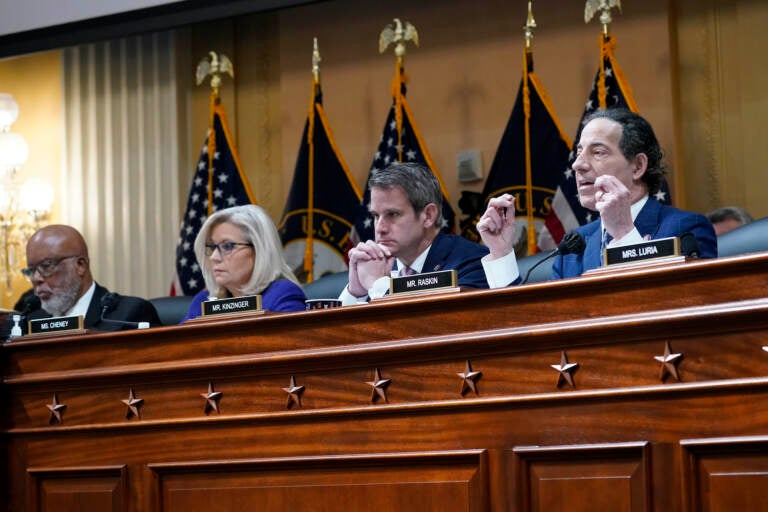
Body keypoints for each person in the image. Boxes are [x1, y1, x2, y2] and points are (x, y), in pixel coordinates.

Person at [478, 108, 717, 286]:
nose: (578, 164)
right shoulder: (575, 244)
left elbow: (683, 307)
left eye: (598, 152)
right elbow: (538, 325)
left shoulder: (686, 229)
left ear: (637, 166)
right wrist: (500, 253)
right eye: (579, 152)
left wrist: (624, 233)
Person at [340, 162, 489, 304]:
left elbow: (432, 327)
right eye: (376, 216)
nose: (380, 228)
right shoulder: (375, 267)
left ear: (428, 216)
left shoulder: (471, 263)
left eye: (392, 214)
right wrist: (355, 292)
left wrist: (379, 287)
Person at [180, 204, 306, 322]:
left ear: (259, 250)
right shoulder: (202, 301)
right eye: (212, 247)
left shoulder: (282, 295)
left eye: (228, 246)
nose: (214, 257)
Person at [23, 224, 161, 330]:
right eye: (31, 270)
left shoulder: (129, 315)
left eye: (47, 266)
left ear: (80, 265)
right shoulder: (31, 322)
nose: (36, 279)